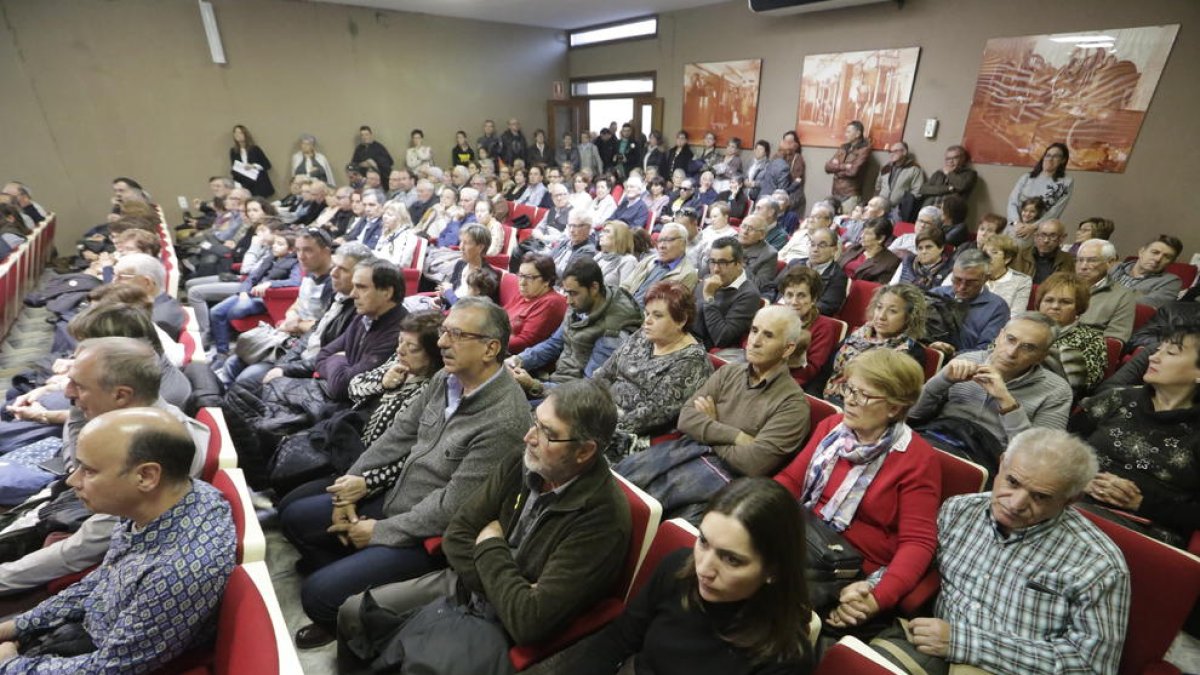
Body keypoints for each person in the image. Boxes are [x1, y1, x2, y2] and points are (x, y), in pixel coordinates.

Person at [280, 297, 530, 648]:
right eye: (444, 332)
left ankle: (354, 618)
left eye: (456, 334)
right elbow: (399, 434)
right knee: (293, 516)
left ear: (491, 348)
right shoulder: (446, 378)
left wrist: (380, 532)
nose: (442, 342)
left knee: (316, 594)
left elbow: (450, 507)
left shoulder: (504, 420)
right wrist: (350, 484)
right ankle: (351, 578)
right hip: (395, 497)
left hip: (426, 536)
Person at [337, 380, 633, 671]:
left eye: (548, 433)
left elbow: (529, 622)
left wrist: (490, 545)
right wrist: (511, 587)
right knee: (353, 613)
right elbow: (457, 534)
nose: (529, 437)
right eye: (536, 422)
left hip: (502, 629)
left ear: (584, 452)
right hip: (467, 587)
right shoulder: (524, 462)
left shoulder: (603, 518)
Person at [0, 409, 236, 673]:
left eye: (88, 471)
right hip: (89, 629)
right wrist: (19, 625)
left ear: (146, 476)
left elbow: (110, 668)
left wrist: (11, 664)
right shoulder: (163, 502)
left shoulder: (177, 569)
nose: (72, 480)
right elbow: (101, 582)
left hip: (97, 653)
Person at [886, 429, 1128, 675]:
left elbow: (1090, 667)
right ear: (1002, 464)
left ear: (1070, 500)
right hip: (934, 646)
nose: (1015, 504)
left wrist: (965, 643)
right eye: (1012, 482)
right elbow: (916, 565)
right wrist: (873, 590)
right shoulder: (960, 510)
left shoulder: (1098, 564)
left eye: (1040, 497)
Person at [539, 478, 814, 675]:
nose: (704, 568)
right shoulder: (677, 569)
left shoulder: (785, 657)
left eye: (731, 559)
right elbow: (618, 639)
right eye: (703, 542)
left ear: (773, 571)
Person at [778, 349, 939, 621]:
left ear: (894, 407)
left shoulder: (917, 460)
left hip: (854, 569)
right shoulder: (833, 427)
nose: (849, 401)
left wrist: (877, 598)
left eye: (862, 395)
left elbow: (918, 543)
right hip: (804, 536)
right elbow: (791, 482)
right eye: (850, 389)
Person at [617, 306, 810, 520]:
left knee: (648, 515)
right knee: (618, 486)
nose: (755, 341)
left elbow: (752, 463)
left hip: (725, 481)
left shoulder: (793, 405)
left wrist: (708, 426)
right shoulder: (729, 372)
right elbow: (686, 418)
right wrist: (735, 436)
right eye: (754, 330)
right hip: (686, 450)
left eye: (769, 335)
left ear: (788, 349)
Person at [1069, 323, 1200, 546]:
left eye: (1170, 353)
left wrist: (1140, 502)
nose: (1153, 358)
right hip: (1074, 502)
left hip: (1144, 532)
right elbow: (1060, 447)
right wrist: (1079, 480)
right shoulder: (1116, 399)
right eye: (1158, 350)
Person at [910, 313, 1073, 450]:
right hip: (935, 440)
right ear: (999, 336)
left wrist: (1006, 401)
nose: (1011, 353)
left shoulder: (1057, 391)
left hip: (988, 461)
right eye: (1010, 339)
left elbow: (1036, 456)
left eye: (1028, 347)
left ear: (1042, 356)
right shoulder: (966, 360)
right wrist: (942, 379)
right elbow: (912, 414)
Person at [593, 281, 711, 438]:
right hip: (602, 410)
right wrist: (587, 401)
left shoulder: (692, 362)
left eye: (657, 315)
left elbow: (650, 415)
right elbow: (606, 373)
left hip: (629, 436)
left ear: (681, 320)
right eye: (647, 313)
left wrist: (595, 424)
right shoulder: (644, 335)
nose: (647, 321)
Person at [509, 259, 643, 393]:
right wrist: (519, 360)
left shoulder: (613, 332)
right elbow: (554, 343)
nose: (568, 300)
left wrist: (535, 386)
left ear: (594, 288)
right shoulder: (581, 303)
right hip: (557, 383)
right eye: (566, 292)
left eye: (573, 293)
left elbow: (589, 389)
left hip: (574, 400)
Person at [821, 284, 927, 403]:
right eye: (879, 307)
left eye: (892, 311)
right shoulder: (857, 335)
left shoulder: (911, 353)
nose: (881, 316)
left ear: (909, 317)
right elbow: (824, 373)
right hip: (827, 397)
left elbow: (891, 400)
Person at [925, 250, 1010, 357]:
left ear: (986, 278)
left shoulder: (997, 307)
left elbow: (986, 351)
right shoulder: (936, 294)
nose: (962, 287)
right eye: (957, 280)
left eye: (970, 282)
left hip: (964, 365)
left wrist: (953, 354)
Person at [1036, 272, 1106, 398]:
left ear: (1078, 308)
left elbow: (1083, 385)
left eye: (1065, 302)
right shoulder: (1021, 327)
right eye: (1048, 300)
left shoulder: (1092, 339)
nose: (1055, 306)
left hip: (1050, 400)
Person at [693, 237, 762, 351]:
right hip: (682, 337)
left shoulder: (749, 295)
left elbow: (722, 338)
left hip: (702, 349)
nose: (715, 269)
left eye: (723, 263)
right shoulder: (708, 278)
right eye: (712, 261)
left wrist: (709, 297)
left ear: (739, 264)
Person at [777, 266, 842, 385]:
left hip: (790, 383)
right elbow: (748, 341)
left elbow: (811, 370)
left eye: (801, 296)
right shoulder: (775, 313)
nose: (794, 302)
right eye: (789, 295)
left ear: (814, 299)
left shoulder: (824, 327)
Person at [622, 222, 699, 304]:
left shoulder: (688, 274)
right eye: (660, 240)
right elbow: (625, 286)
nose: (662, 246)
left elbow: (668, 308)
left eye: (668, 240)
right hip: (624, 308)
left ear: (683, 243)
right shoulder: (649, 260)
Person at [1075, 238, 1136, 341]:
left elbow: (1115, 338)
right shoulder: (1061, 286)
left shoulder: (1123, 295)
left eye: (1092, 260)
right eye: (1080, 260)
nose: (1083, 266)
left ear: (1110, 262)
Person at [506, 253, 568, 354]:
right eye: (520, 275)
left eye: (529, 277)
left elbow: (524, 343)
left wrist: (489, 343)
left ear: (546, 281)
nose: (522, 282)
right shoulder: (525, 294)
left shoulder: (551, 303)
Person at [1108, 234, 1184, 308]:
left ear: (1171, 262)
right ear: (1141, 252)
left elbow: (1146, 305)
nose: (1158, 259)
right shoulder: (1114, 267)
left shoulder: (1171, 282)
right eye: (1155, 252)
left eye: (1167, 257)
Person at [1006, 142, 1073, 225]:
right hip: (1016, 226)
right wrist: (1017, 223)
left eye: (1055, 156)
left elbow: (1056, 210)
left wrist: (1033, 227)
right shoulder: (1027, 177)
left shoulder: (1066, 182)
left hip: (1040, 230)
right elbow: (1012, 202)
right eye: (1048, 155)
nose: (1050, 159)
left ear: (1063, 160)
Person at [980, 233, 1033, 317]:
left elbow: (1016, 316)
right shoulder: (974, 276)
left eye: (994, 252)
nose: (987, 257)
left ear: (1007, 259)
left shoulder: (1022, 281)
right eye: (985, 252)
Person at [824, 120, 871, 211]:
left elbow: (853, 171)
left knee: (845, 221)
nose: (846, 134)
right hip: (836, 193)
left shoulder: (864, 150)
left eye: (848, 132)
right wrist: (844, 167)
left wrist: (837, 171)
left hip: (850, 194)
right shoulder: (843, 147)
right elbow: (827, 167)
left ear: (857, 134)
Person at [839, 217, 899, 284]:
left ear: (881, 239)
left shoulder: (890, 262)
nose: (861, 236)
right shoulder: (854, 248)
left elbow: (874, 288)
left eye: (867, 233)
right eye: (862, 232)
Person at [1012, 218, 1074, 284]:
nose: (1046, 240)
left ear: (1062, 238)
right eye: (1042, 235)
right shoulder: (1020, 256)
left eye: (1053, 236)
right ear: (1035, 236)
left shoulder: (1068, 259)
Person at [890, 226, 952, 290]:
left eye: (929, 247)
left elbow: (939, 297)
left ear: (941, 248)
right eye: (920, 248)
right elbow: (892, 287)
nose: (923, 251)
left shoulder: (948, 270)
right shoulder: (908, 261)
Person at [875, 142, 924, 221]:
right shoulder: (886, 167)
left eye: (895, 151)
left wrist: (904, 205)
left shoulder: (914, 169)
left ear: (904, 152)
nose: (891, 154)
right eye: (890, 151)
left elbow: (917, 191)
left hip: (897, 210)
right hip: (880, 207)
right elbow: (878, 185)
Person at [735, 214, 780, 290]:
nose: (745, 232)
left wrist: (740, 264)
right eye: (743, 226)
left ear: (762, 235)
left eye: (751, 229)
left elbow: (760, 285)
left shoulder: (769, 255)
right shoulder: (729, 241)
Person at [228, 124, 273, 197]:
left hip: (258, 183)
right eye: (235, 133)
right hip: (244, 183)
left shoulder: (255, 149)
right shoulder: (233, 151)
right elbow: (234, 168)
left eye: (240, 133)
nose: (237, 135)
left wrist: (254, 166)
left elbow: (267, 165)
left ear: (245, 134)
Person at [594, 220, 638, 291]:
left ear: (619, 237)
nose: (600, 234)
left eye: (607, 231)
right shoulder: (600, 256)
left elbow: (624, 294)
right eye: (603, 231)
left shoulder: (628, 261)